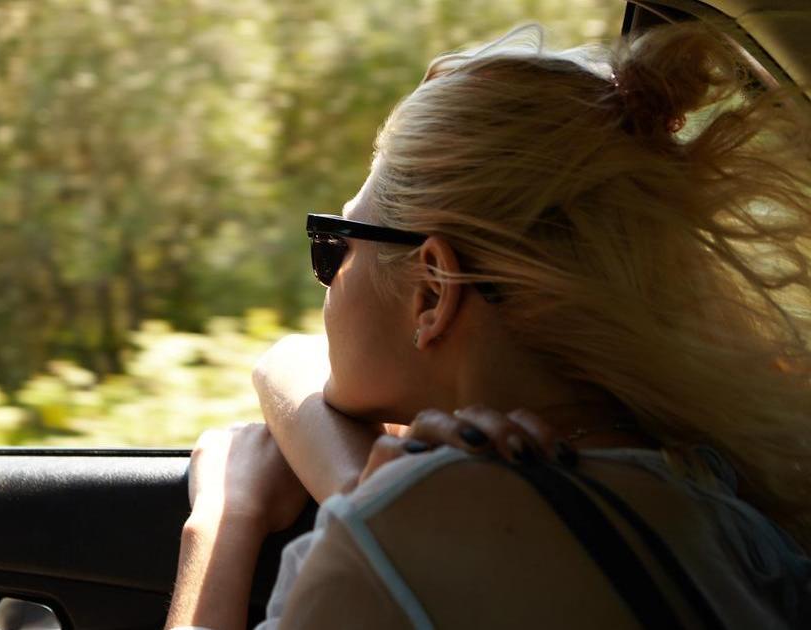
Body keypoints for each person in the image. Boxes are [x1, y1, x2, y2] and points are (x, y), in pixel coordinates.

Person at [164, 21, 811, 630]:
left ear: (433, 292)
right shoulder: (716, 501)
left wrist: (223, 520)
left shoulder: (399, 548)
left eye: (335, 245)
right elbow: (287, 363)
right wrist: (366, 488)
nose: (327, 281)